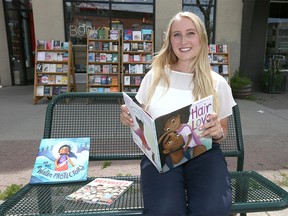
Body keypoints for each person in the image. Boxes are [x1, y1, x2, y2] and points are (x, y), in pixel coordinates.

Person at [120, 11, 236, 216]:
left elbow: (223, 132)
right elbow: (139, 119)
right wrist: (129, 117)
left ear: (201, 38)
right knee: (165, 210)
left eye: (190, 33)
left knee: (213, 209)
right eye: (177, 35)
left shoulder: (217, 82)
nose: (184, 40)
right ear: (170, 40)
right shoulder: (154, 76)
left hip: (203, 154)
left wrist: (218, 131)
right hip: (161, 157)